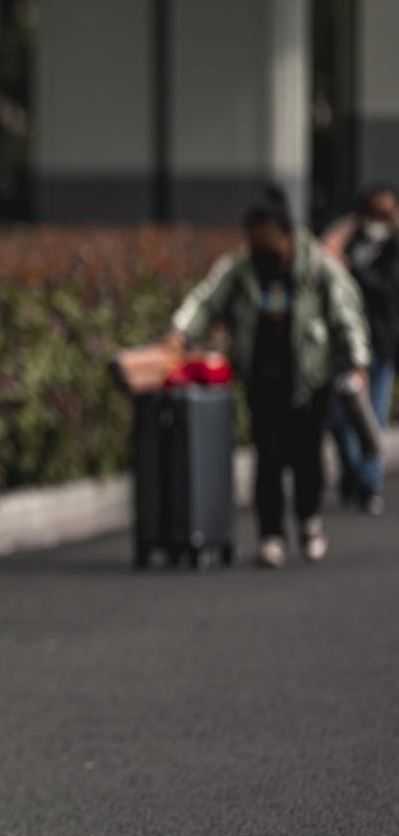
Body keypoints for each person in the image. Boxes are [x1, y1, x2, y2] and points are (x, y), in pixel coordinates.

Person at [169, 197, 370, 568]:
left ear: (286, 236)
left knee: (307, 457)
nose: (258, 246)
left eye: (265, 239)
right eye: (253, 239)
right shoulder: (242, 269)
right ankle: (271, 535)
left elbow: (347, 314)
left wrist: (358, 362)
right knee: (269, 458)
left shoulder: (318, 267)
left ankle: (309, 520)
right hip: (262, 379)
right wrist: (180, 334)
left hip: (309, 377)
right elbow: (206, 301)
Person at [320, 182, 399, 514]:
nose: (378, 220)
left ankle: (368, 485)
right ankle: (353, 473)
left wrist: (357, 272)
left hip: (379, 347)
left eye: (386, 212)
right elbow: (323, 254)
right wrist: (347, 230)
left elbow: (387, 289)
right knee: (337, 417)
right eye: (373, 212)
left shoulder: (394, 248)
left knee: (372, 416)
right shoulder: (351, 242)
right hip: (342, 344)